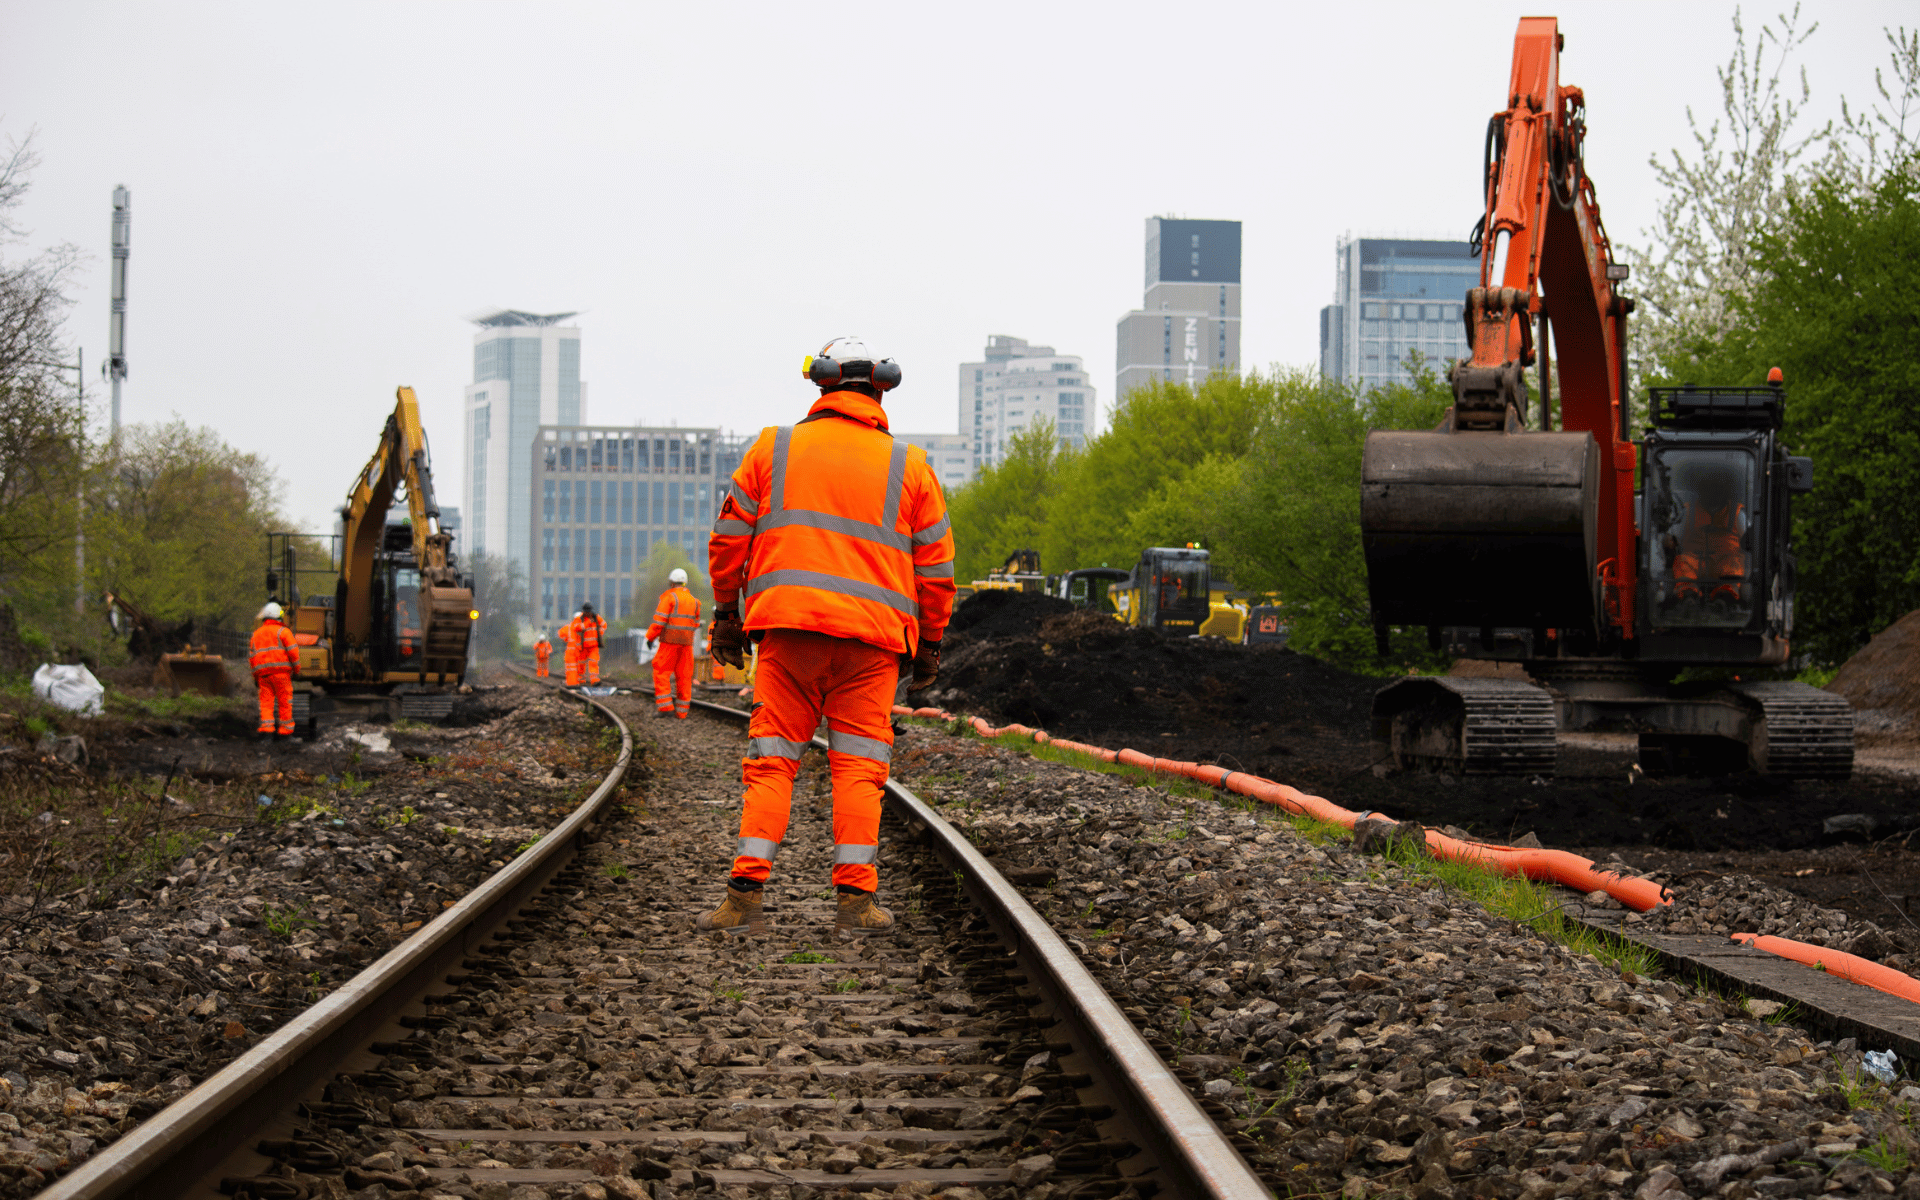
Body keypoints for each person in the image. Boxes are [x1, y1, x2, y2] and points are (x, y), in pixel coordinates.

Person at [697, 336, 955, 938]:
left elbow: (728, 539)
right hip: (872, 647)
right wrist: (932, 643)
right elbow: (937, 570)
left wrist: (727, 614)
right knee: (859, 767)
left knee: (772, 760)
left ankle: (743, 899)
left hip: (788, 636)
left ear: (821, 386)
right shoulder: (911, 466)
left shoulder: (773, 447)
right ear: (881, 391)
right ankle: (855, 905)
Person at [646, 568, 702, 719]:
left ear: (671, 583)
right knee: (684, 676)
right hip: (686, 644)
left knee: (661, 672)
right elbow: (695, 624)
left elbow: (659, 622)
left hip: (669, 643)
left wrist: (650, 637)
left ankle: (666, 708)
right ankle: (682, 713)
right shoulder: (695, 602)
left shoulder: (669, 598)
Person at [250, 601, 301, 742]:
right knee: (285, 703)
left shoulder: (256, 635)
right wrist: (296, 670)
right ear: (278, 617)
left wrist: (256, 677)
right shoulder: (283, 632)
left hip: (264, 676)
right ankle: (286, 735)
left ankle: (267, 735)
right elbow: (293, 652)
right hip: (281, 675)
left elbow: (252, 658)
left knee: (266, 704)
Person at [577, 602, 607, 685]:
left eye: (589, 611)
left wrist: (599, 633)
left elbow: (604, 625)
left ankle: (594, 680)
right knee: (581, 663)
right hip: (583, 646)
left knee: (593, 662)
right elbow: (579, 628)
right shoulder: (580, 618)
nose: (588, 613)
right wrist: (588, 622)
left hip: (594, 646)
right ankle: (581, 680)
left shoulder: (596, 617)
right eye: (586, 611)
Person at [560, 610, 581, 687]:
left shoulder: (569, 627)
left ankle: (571, 683)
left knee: (571, 668)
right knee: (579, 668)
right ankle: (578, 682)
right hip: (580, 651)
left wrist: (566, 639)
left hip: (571, 651)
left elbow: (560, 633)